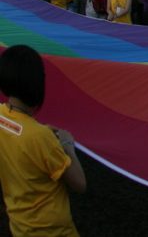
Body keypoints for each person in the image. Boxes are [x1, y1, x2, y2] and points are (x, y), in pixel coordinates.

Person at [0, 44, 87, 236]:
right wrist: (67, 145)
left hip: (20, 226)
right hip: (52, 230)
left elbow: (16, 130)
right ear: (37, 84)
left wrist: (39, 131)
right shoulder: (39, 137)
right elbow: (79, 183)